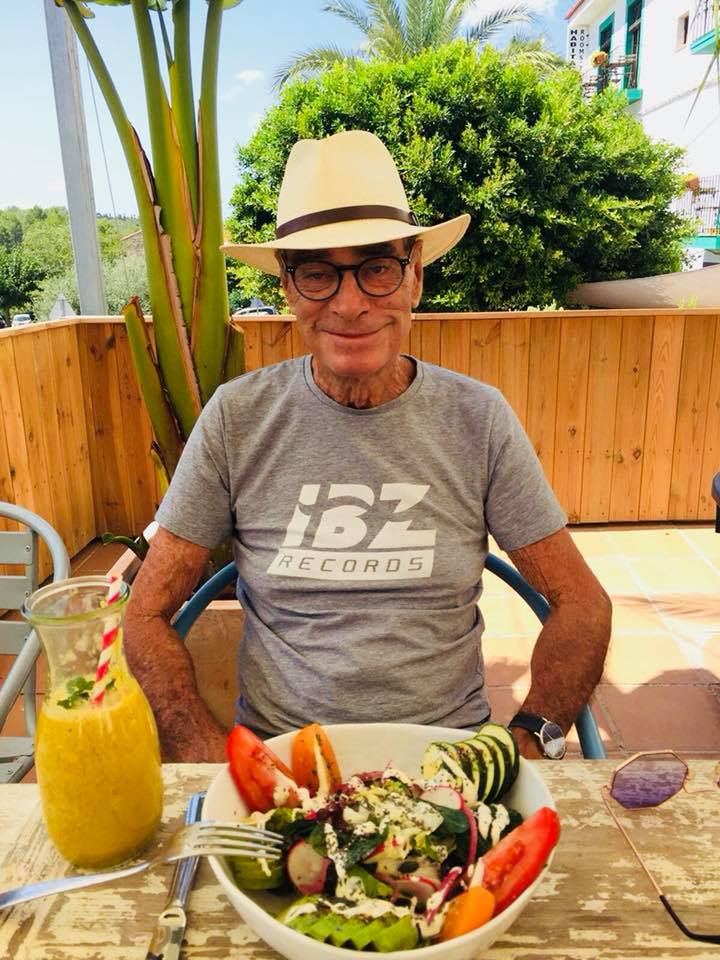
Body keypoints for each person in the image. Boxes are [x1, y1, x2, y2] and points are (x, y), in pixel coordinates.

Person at [125, 130, 611, 764]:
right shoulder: (236, 419)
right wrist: (202, 749)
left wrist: (527, 742)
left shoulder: (478, 419)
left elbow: (582, 604)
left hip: (447, 768)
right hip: (286, 767)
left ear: (414, 277)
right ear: (289, 290)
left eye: (377, 268)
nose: (350, 304)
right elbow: (144, 615)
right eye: (318, 273)